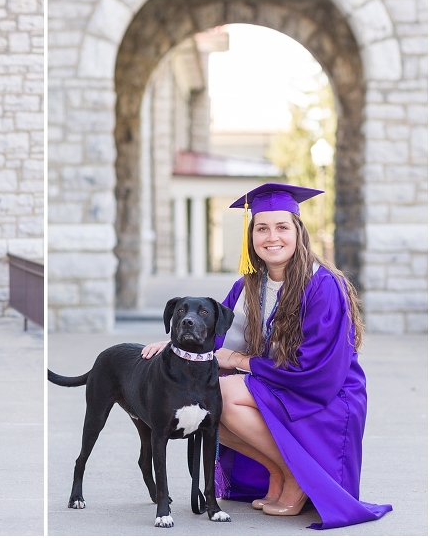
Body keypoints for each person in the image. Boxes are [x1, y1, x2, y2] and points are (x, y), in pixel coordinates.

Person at [141, 183, 392, 529]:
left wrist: (241, 362)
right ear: (252, 236)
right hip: (275, 383)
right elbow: (213, 334)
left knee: (222, 393)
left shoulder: (323, 285)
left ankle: (296, 477)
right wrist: (172, 343)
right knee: (210, 400)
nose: (271, 237)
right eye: (262, 228)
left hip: (325, 394)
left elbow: (318, 371)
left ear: (298, 232)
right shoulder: (250, 285)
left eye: (282, 227)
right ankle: (280, 470)